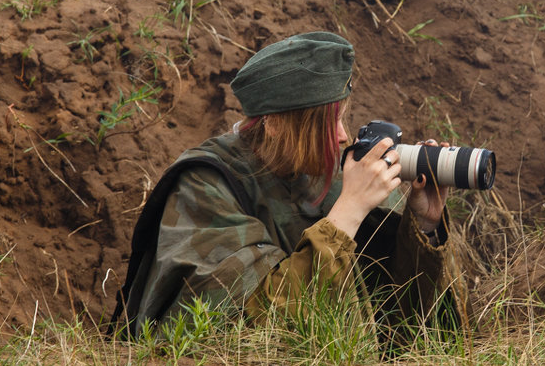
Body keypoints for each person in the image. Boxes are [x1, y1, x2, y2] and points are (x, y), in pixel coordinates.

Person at [110, 31, 464, 346]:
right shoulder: (206, 185)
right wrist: (347, 214)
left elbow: (393, 319)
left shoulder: (327, 176)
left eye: (342, 118)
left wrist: (423, 225)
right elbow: (245, 329)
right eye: (328, 122)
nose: (343, 135)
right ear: (275, 124)